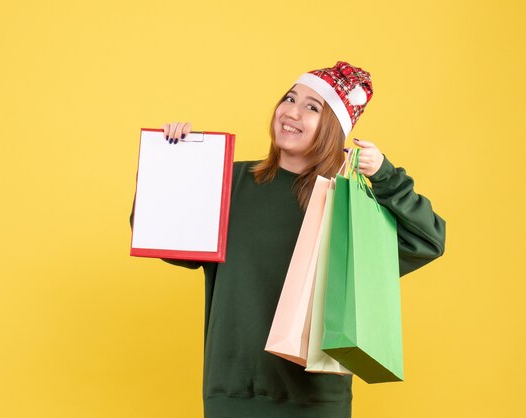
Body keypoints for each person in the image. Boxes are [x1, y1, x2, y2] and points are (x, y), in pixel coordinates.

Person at [136, 61, 446, 418]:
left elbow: (429, 239)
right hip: (233, 392)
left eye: (312, 107)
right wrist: (176, 159)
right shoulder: (230, 181)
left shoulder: (347, 203)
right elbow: (160, 235)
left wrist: (386, 176)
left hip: (315, 399)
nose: (292, 112)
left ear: (333, 129)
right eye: (290, 98)